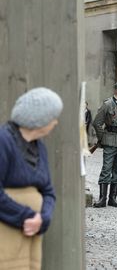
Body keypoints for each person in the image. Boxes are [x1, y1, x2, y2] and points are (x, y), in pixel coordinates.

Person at [0, 87, 63, 270]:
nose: (56, 122)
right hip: (7, 231)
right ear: (39, 118)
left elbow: (48, 191)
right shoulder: (4, 141)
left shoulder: (39, 147)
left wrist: (43, 218)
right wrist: (26, 216)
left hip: (32, 234)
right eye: (53, 117)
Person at [92, 81, 117, 208]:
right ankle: (102, 199)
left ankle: (112, 198)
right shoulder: (107, 105)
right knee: (106, 169)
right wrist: (102, 138)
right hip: (110, 141)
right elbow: (96, 123)